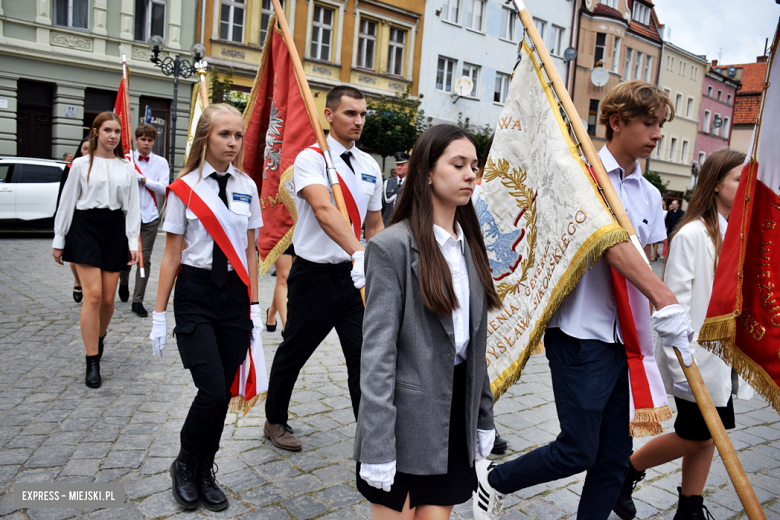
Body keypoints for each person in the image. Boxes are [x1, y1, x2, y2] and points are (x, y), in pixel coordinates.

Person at [473, 80, 694, 520]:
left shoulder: (650, 194)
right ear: (616, 121)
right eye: (648, 123)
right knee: (577, 449)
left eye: (661, 125)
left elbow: (645, 263)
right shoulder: (578, 174)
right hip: (580, 333)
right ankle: (492, 480)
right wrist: (661, 293)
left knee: (613, 460)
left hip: (627, 343)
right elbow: (608, 249)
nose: (657, 134)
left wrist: (663, 314)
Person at [355, 125, 502, 519]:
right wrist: (377, 445)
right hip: (403, 419)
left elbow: (476, 344)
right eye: (458, 164)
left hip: (454, 413)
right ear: (426, 172)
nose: (471, 174)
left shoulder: (470, 246)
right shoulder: (392, 248)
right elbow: (377, 356)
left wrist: (483, 417)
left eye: (474, 165)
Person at [613, 149, 753, 520]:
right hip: (694, 357)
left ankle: (690, 507)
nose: (746, 187)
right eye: (739, 179)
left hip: (721, 358)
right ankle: (625, 472)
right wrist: (683, 363)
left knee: (711, 432)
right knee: (699, 434)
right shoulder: (692, 234)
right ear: (717, 183)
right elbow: (673, 302)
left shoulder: (735, 233)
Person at [149, 103, 263, 512]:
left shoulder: (246, 186)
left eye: (237, 136)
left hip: (234, 296)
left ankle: (204, 469)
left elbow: (250, 250)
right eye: (224, 135)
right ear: (205, 138)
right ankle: (183, 464)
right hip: (195, 294)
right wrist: (160, 315)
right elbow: (170, 256)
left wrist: (253, 304)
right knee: (211, 388)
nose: (232, 143)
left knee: (225, 391)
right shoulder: (184, 188)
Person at [263, 85, 384, 451]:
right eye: (350, 113)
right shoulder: (310, 159)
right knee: (293, 352)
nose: (358, 121)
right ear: (329, 115)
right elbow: (324, 210)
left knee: (364, 357)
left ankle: (371, 434)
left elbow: (374, 223)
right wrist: (359, 250)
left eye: (363, 114)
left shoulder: (369, 165)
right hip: (314, 275)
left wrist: (374, 259)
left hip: (352, 278)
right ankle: (275, 419)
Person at [52, 112, 140, 388]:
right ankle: (93, 360)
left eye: (117, 132)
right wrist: (59, 239)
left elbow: (133, 208)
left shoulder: (126, 168)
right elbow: (67, 202)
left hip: (114, 229)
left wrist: (132, 241)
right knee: (93, 295)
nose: (113, 136)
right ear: (96, 132)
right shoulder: (79, 165)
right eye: (108, 131)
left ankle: (98, 338)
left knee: (108, 301)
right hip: (85, 227)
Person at [118, 123, 170, 317]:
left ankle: (137, 300)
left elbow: (164, 188)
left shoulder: (161, 163)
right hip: (126, 216)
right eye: (143, 139)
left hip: (149, 216)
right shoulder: (126, 159)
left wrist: (143, 179)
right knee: (125, 256)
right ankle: (123, 282)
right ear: (136, 139)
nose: (146, 143)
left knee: (144, 258)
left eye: (150, 140)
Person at [60, 138, 90, 303]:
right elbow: (64, 196)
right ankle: (78, 281)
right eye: (84, 148)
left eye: (89, 148)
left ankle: (87, 286)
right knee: (74, 258)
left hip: (90, 220)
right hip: (75, 216)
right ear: (80, 150)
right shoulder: (72, 167)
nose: (86, 152)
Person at [265, 247, 295, 332]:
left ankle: (271, 312)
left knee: (291, 277)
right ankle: (286, 326)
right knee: (284, 277)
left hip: (297, 235)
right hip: (280, 236)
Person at [382, 151, 409, 227]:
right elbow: (382, 205)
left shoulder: (412, 183)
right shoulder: (388, 183)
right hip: (387, 225)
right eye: (397, 165)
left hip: (404, 226)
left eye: (402, 165)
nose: (399, 167)